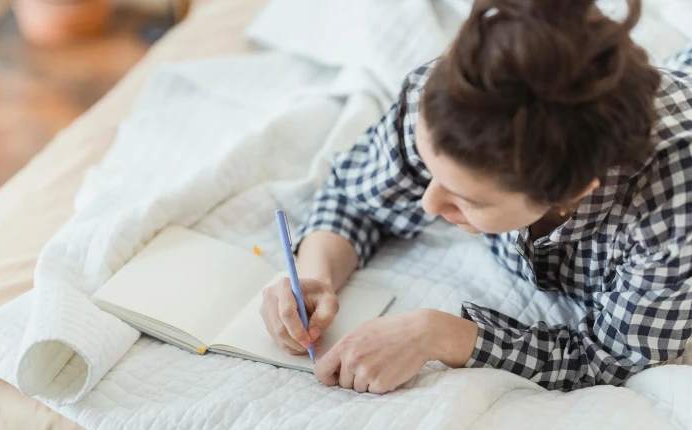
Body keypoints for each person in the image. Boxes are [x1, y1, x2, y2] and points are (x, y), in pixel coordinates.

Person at [259, 0, 692, 394]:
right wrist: (315, 275)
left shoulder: (672, 211)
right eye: (429, 170)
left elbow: (611, 360)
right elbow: (357, 196)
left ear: (570, 193)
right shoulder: (449, 99)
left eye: (469, 200)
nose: (428, 204)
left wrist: (440, 334)